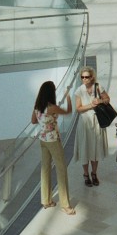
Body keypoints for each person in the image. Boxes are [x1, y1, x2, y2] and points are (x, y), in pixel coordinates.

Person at [31, 80, 76, 215]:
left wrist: (44, 122)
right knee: (61, 170)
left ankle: (46, 200)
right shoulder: (51, 107)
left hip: (43, 140)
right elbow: (68, 111)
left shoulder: (37, 107)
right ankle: (65, 205)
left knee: (45, 169)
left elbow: (33, 121)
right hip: (53, 141)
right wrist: (68, 96)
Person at [71, 62, 112, 192]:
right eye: (82, 77)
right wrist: (91, 105)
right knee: (85, 148)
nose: (84, 79)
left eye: (87, 77)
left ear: (92, 77)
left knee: (95, 148)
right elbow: (78, 109)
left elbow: (107, 99)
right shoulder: (79, 91)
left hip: (97, 122)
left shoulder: (98, 87)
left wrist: (100, 101)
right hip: (84, 123)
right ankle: (85, 174)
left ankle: (94, 173)